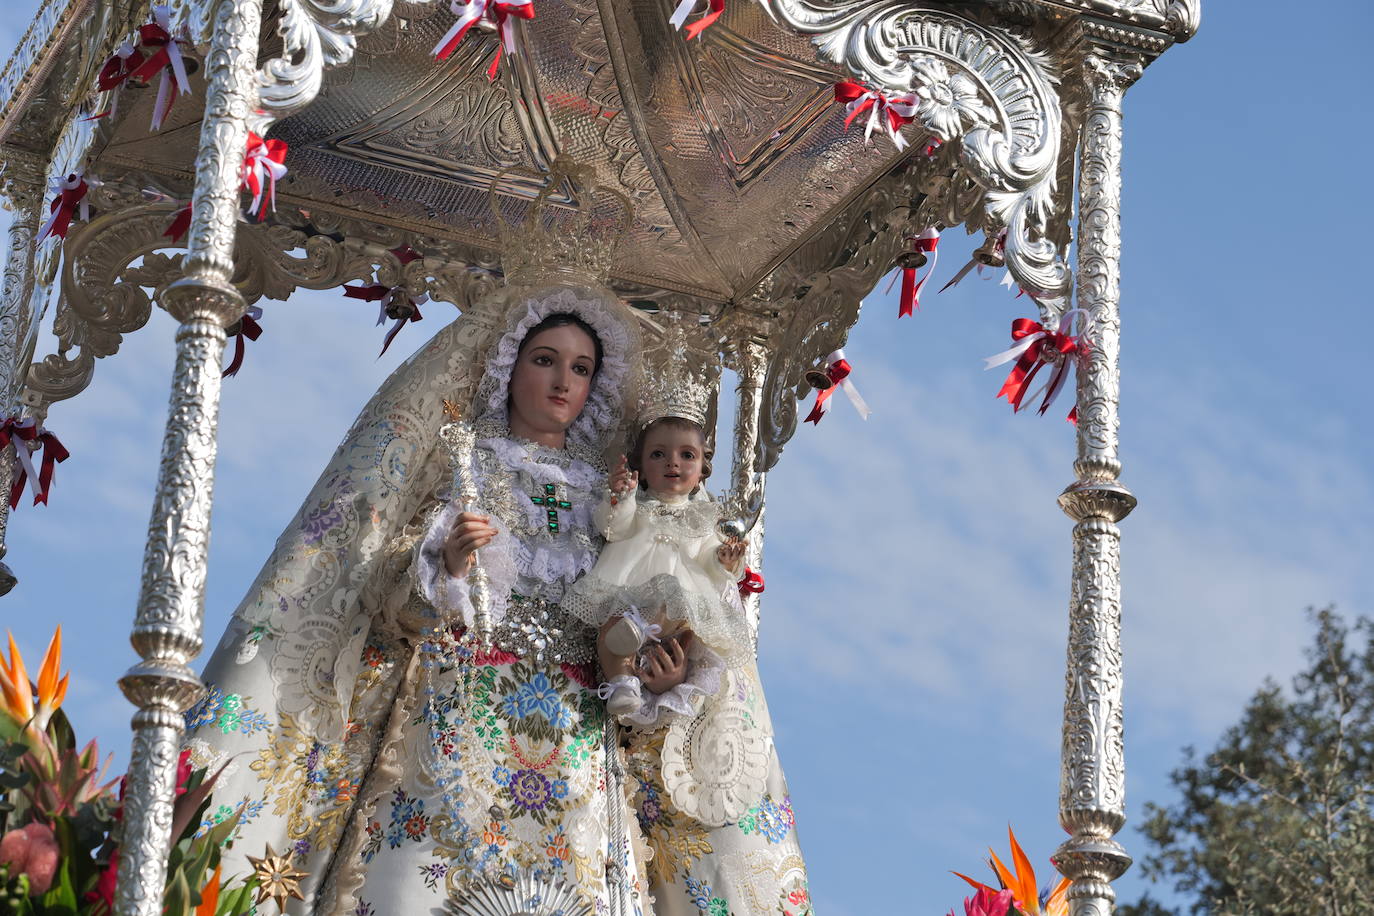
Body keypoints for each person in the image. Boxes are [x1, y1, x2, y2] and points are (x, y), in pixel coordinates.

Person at [184, 281, 657, 915]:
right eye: (545, 360)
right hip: (461, 706)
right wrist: (451, 565)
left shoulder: (610, 498)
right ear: (510, 365)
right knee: (432, 875)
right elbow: (399, 610)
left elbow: (628, 604)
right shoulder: (466, 463)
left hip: (574, 731)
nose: (562, 382)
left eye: (581, 368)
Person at [570, 412, 752, 727]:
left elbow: (710, 559)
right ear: (640, 466)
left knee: (678, 610)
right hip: (628, 593)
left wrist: (724, 559)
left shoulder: (705, 517)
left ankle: (645, 640)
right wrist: (619, 498)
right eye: (659, 454)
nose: (673, 463)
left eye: (687, 455)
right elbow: (613, 528)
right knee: (611, 632)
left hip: (677, 607)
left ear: (702, 470)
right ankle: (622, 682)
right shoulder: (637, 505)